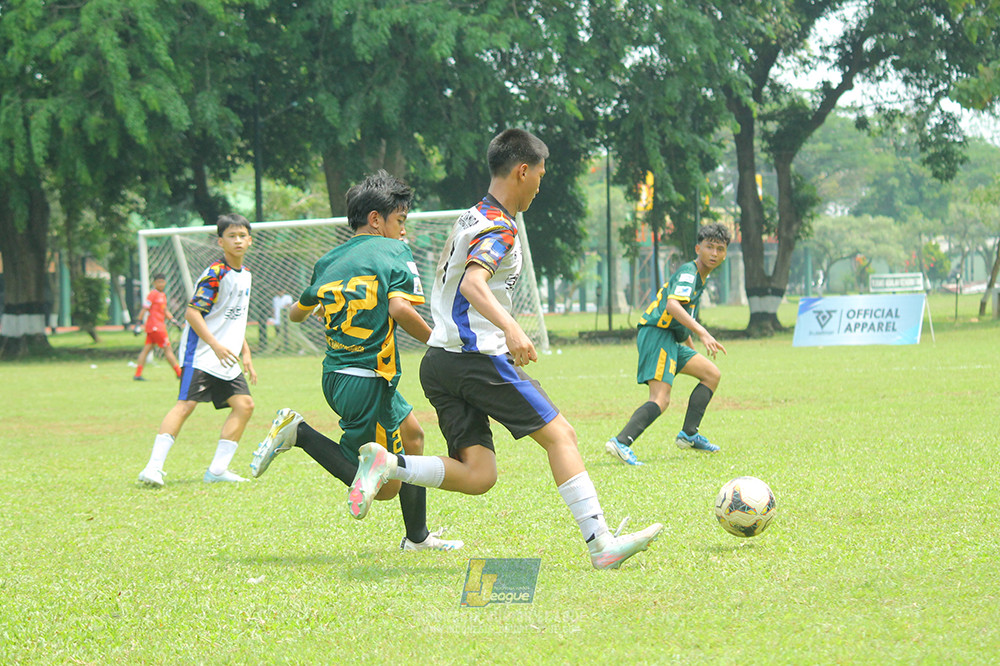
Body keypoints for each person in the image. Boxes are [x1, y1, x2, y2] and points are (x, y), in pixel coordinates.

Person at [347, 129, 662, 570]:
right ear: (522, 170)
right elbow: (474, 283)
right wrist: (511, 329)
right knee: (562, 436)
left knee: (479, 475)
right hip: (474, 359)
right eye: (540, 174)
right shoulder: (500, 228)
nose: (540, 183)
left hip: (439, 361)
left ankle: (389, 463)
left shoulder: (470, 217)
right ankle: (601, 543)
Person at [249, 170, 462, 552]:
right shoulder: (395, 251)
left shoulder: (330, 259)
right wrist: (439, 341)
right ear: (376, 219)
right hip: (368, 378)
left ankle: (417, 537)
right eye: (400, 221)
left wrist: (329, 306)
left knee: (413, 436)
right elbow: (399, 308)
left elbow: (296, 313)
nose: (403, 231)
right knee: (383, 487)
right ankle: (298, 433)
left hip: (339, 375)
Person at [138, 214, 257, 486]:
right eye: (231, 236)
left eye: (242, 236)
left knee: (244, 405)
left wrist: (246, 352)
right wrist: (214, 345)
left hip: (226, 356)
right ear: (220, 241)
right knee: (186, 405)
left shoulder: (246, 275)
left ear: (249, 240)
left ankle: (217, 471)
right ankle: (153, 468)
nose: (237, 240)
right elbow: (192, 314)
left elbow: (234, 320)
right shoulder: (216, 273)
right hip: (203, 354)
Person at [604, 222, 732, 466]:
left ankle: (689, 435)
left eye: (720, 249)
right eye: (709, 247)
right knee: (661, 398)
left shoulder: (699, 278)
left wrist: (692, 349)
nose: (714, 253)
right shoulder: (689, 272)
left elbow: (681, 318)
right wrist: (704, 332)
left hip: (670, 337)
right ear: (698, 248)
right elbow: (673, 306)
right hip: (656, 334)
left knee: (711, 374)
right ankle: (621, 442)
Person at [132, 273, 182, 380]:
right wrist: (138, 323)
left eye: (163, 282)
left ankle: (137, 374)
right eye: (158, 282)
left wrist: (174, 321)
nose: (161, 284)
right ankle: (179, 373)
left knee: (146, 350)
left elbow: (165, 310)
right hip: (156, 327)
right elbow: (144, 308)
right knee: (168, 349)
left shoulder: (162, 295)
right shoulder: (152, 295)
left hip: (156, 327)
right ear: (154, 283)